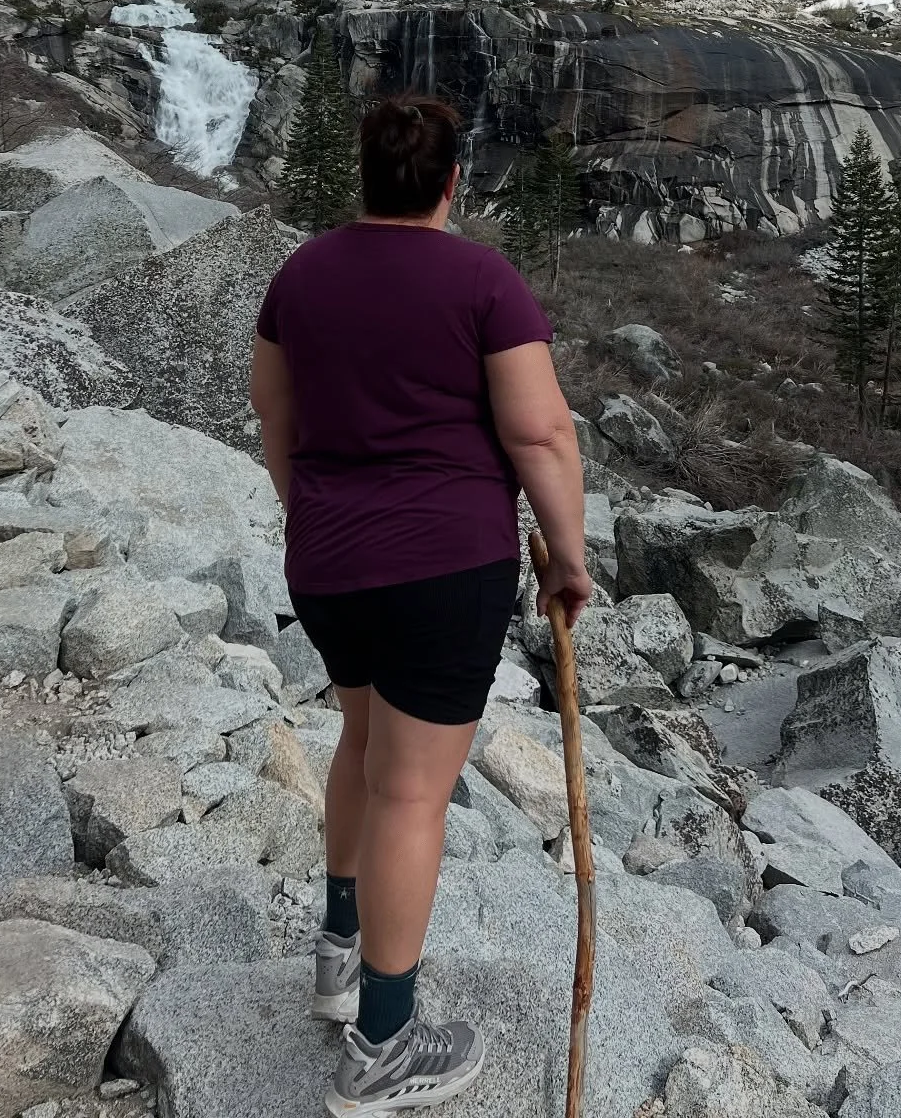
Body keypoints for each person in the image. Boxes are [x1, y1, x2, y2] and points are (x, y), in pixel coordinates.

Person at [250, 91, 592, 1115]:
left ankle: (338, 955)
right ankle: (386, 1045)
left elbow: (274, 406)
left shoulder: (301, 275)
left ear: (366, 175)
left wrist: (305, 508)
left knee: (361, 740)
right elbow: (539, 435)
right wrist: (567, 557)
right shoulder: (484, 279)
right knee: (412, 791)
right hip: (444, 567)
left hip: (327, 562)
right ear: (453, 181)